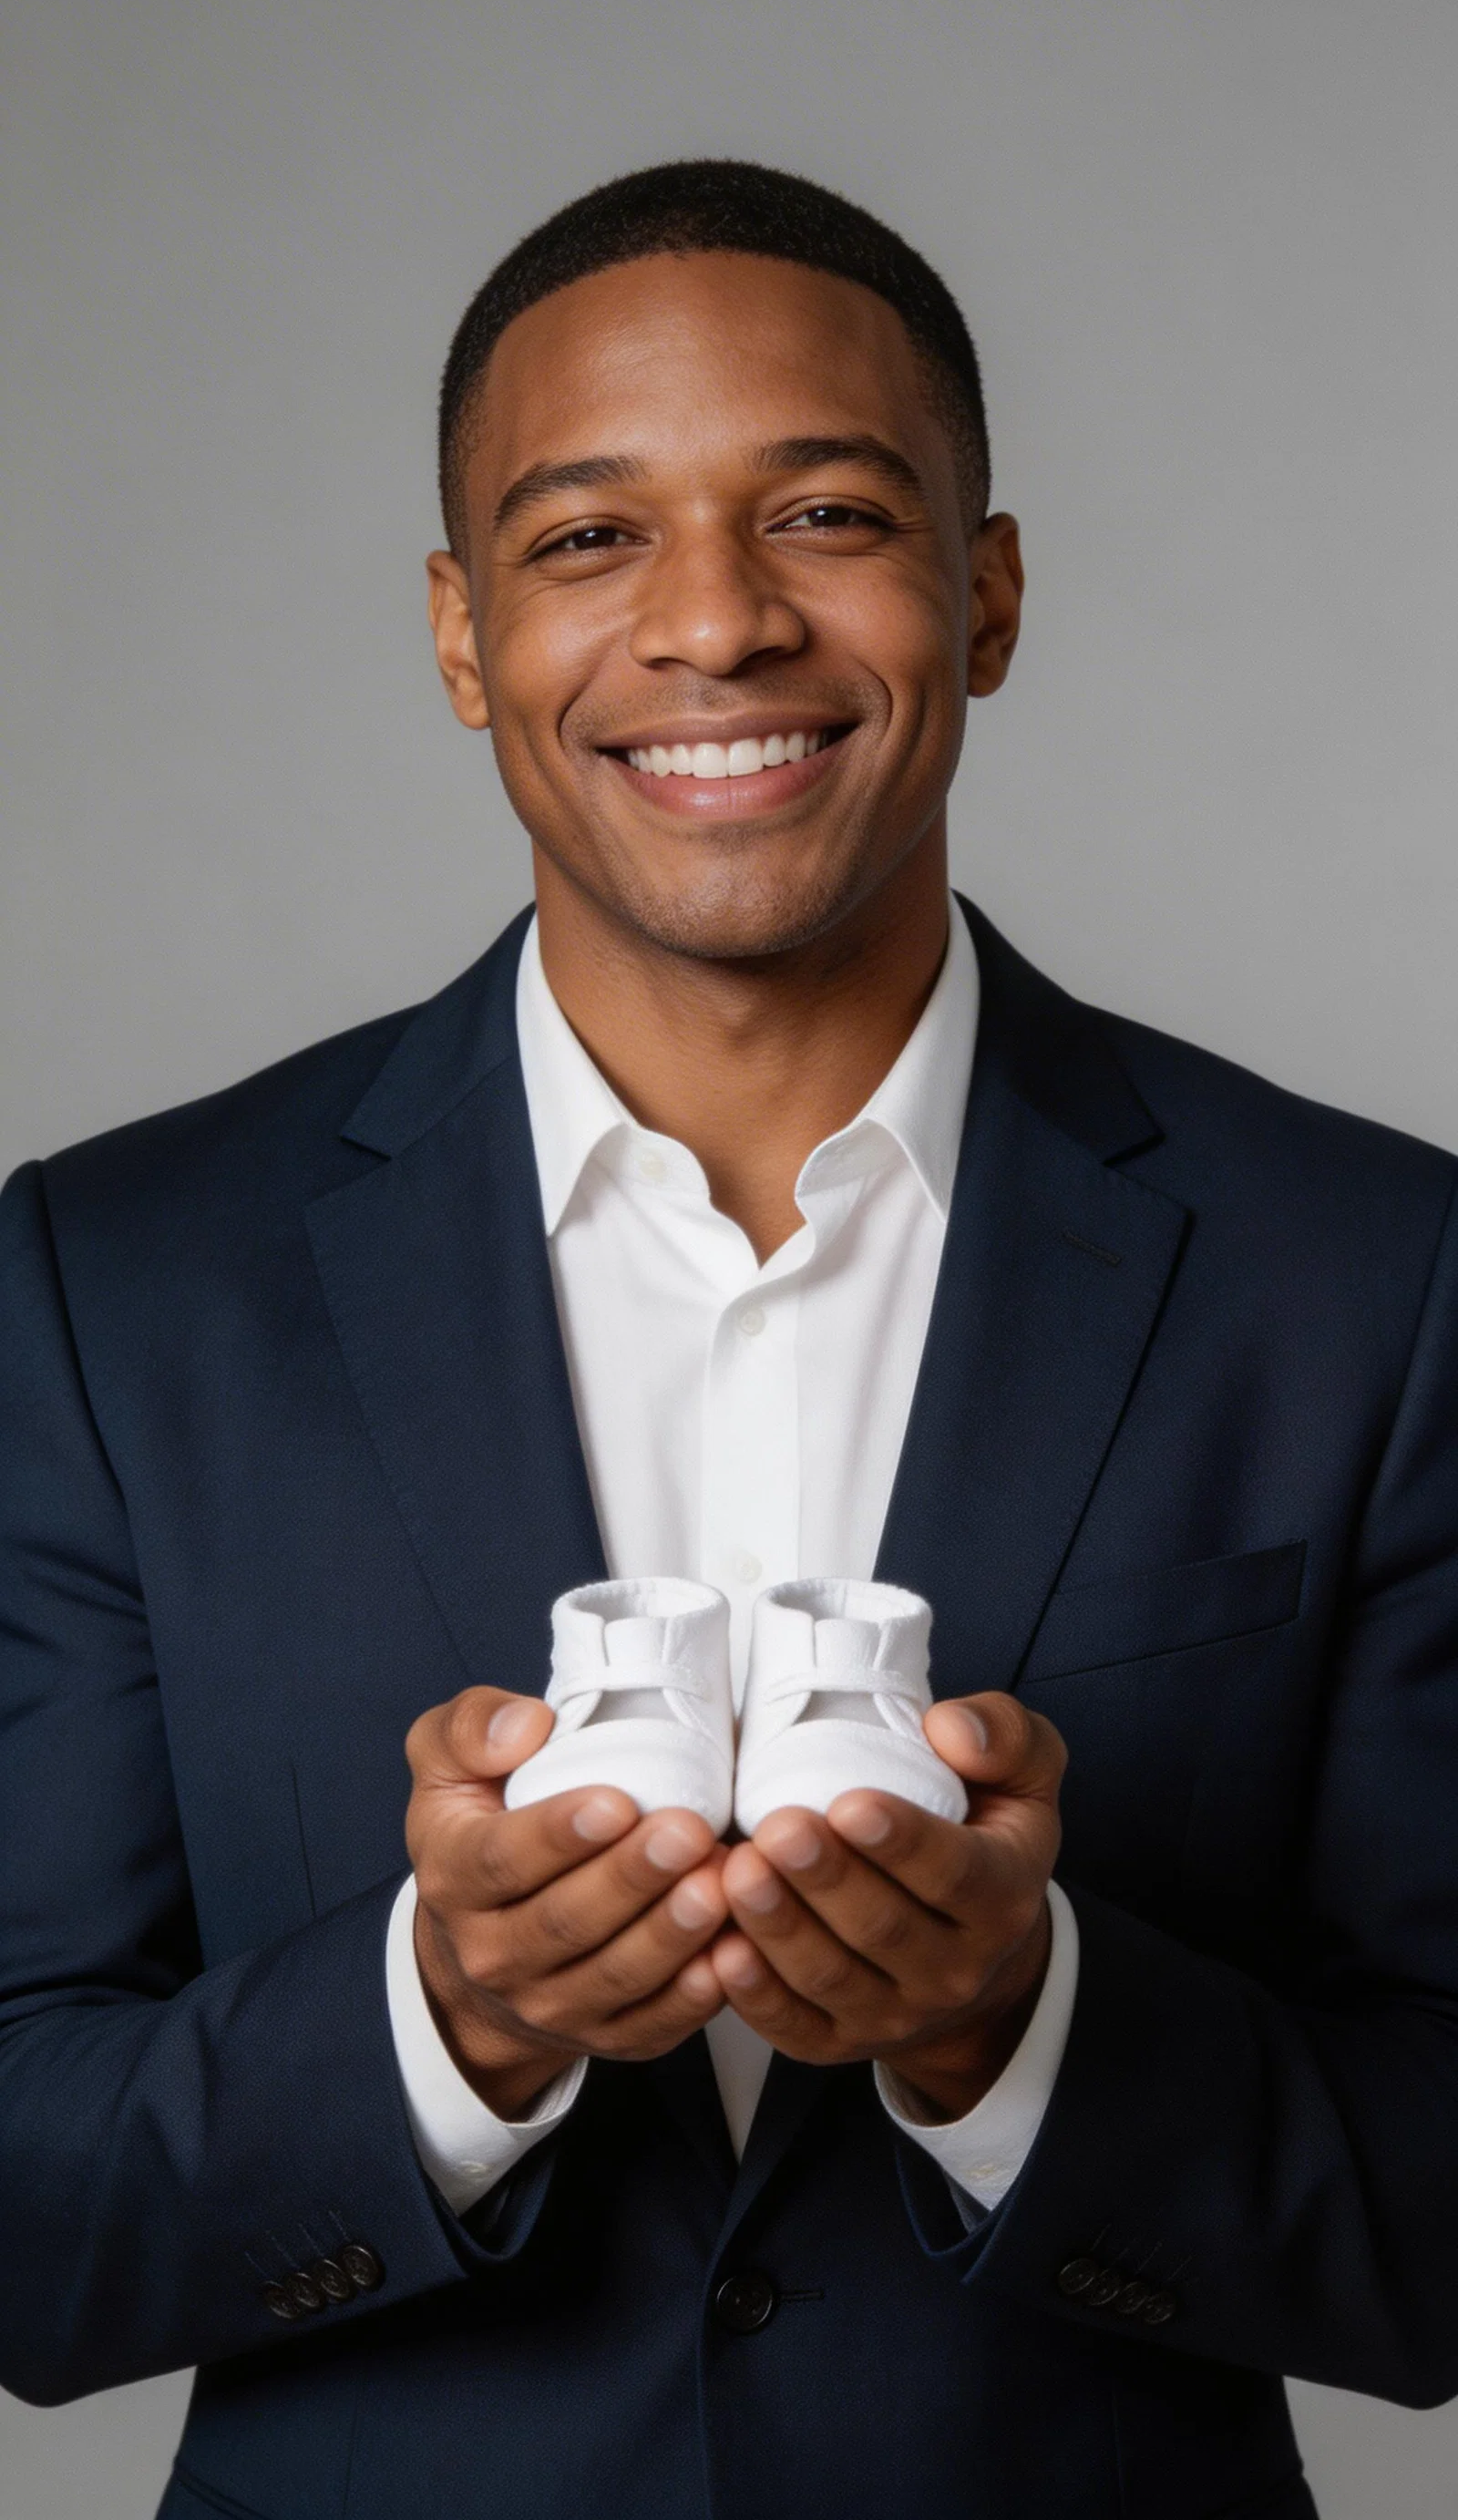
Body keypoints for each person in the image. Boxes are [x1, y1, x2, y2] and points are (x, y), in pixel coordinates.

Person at [2, 158, 1456, 2520]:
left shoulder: (1376, 1279)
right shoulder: (111, 1287)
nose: (716, 623)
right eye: (589, 539)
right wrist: (442, 2025)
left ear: (984, 595)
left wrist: (1024, 2027)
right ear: (463, 638)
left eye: (826, 511)